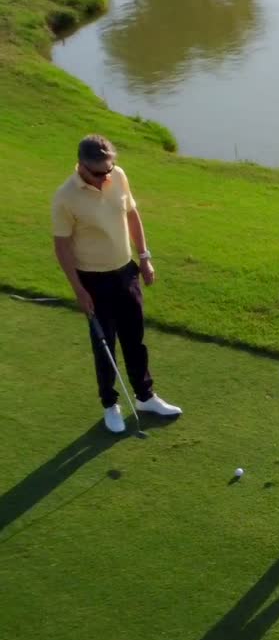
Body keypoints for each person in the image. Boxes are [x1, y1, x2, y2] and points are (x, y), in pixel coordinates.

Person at [52, 134, 182, 434]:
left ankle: (145, 397)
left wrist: (145, 257)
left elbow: (132, 215)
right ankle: (110, 404)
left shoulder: (117, 176)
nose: (103, 178)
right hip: (93, 280)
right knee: (105, 345)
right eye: (98, 173)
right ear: (81, 166)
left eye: (108, 171)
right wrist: (78, 290)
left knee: (135, 339)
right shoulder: (65, 197)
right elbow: (61, 247)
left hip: (126, 272)